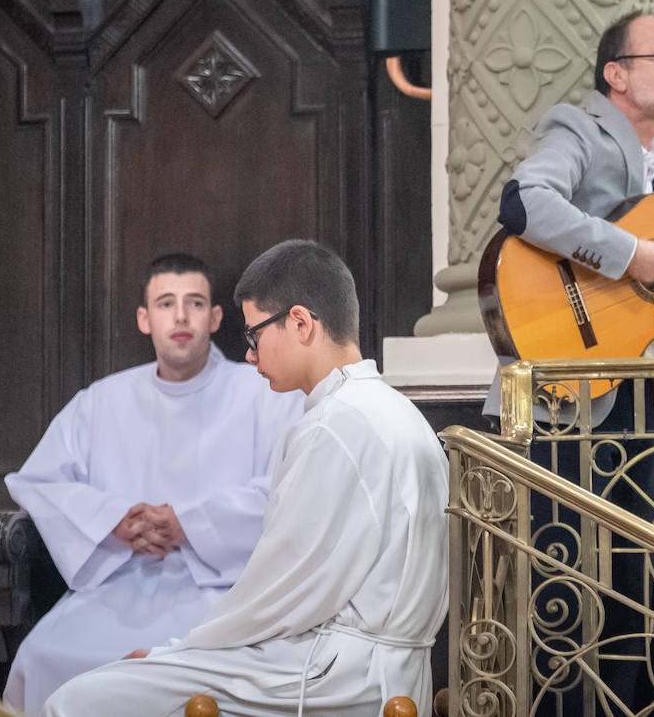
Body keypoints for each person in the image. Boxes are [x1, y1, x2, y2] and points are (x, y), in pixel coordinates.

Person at [43, 239, 450, 717]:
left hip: (336, 674)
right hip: (385, 666)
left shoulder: (334, 426)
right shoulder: (392, 409)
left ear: (300, 323)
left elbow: (280, 593)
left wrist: (175, 651)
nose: (251, 356)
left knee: (76, 701)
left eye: (255, 334)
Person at [493, 9, 654, 715]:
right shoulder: (577, 128)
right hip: (572, 398)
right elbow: (525, 202)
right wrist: (626, 254)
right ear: (617, 73)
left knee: (644, 583)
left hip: (646, 397)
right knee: (568, 584)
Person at [3, 254, 303, 716]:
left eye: (195, 303)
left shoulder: (262, 392)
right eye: (166, 303)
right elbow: (37, 481)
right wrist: (113, 521)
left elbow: (288, 491)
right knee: (42, 657)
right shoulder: (101, 401)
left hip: (222, 592)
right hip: (119, 583)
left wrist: (189, 525)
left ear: (216, 318)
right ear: (145, 319)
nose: (180, 316)